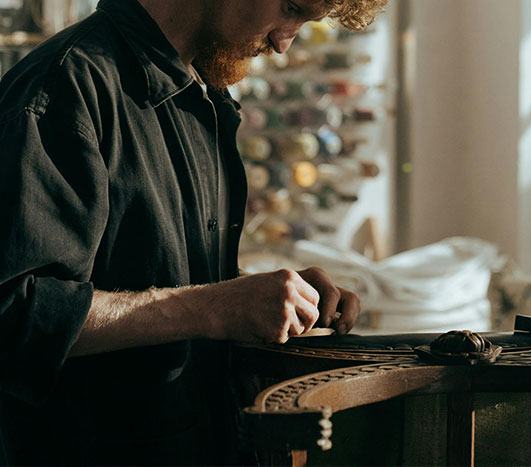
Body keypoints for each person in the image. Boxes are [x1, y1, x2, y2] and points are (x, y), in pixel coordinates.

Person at [0, 0, 386, 464]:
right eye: (291, 9)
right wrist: (216, 307)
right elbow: (16, 315)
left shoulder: (201, 96)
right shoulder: (64, 89)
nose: (285, 43)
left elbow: (154, 268)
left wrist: (263, 298)